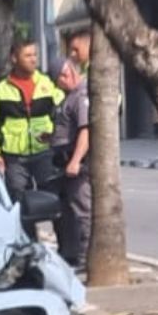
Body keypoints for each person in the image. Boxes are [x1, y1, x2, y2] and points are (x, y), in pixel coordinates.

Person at [0, 41, 66, 223]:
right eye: (28, 56)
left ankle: (66, 248)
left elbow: (64, 111)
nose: (33, 59)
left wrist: (56, 136)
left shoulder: (47, 83)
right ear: (14, 58)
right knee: (20, 204)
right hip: (14, 158)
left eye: (35, 55)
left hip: (44, 153)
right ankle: (28, 244)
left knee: (54, 200)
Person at [53, 32, 94, 269]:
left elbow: (85, 130)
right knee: (70, 210)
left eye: (61, 76)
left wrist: (76, 160)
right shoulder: (69, 97)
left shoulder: (81, 95)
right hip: (64, 160)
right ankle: (74, 253)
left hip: (76, 163)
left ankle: (86, 256)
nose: (61, 81)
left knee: (83, 209)